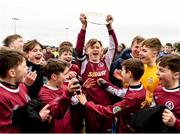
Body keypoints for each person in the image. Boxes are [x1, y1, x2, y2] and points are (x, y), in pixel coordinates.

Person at [75, 13, 118, 132]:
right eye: (92, 47)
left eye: (97, 47)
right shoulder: (84, 64)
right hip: (90, 108)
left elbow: (113, 47)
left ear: (101, 50)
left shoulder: (106, 62)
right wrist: (84, 26)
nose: (95, 49)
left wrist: (109, 27)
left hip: (106, 107)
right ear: (86, 50)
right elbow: (78, 49)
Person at [77, 58, 146, 133]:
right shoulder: (139, 88)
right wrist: (106, 85)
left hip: (126, 129)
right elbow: (120, 92)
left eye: (122, 70)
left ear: (129, 73)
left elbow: (110, 111)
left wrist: (86, 103)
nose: (120, 72)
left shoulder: (133, 98)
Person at [0, 48, 51, 133]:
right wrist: (38, 118)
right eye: (24, 66)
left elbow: (27, 113)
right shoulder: (2, 97)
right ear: (12, 73)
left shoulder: (22, 86)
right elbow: (7, 130)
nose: (27, 68)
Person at [38, 59, 82, 132]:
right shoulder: (44, 93)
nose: (67, 77)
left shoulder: (63, 86)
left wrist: (76, 96)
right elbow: (57, 113)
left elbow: (71, 104)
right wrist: (68, 94)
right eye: (65, 74)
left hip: (68, 128)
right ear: (54, 77)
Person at [152, 54, 180, 132]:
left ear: (176, 75)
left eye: (161, 70)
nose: (156, 73)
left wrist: (175, 122)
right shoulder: (157, 90)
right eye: (157, 69)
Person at [139, 37, 162, 107]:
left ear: (154, 54)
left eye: (144, 51)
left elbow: (159, 99)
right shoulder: (140, 67)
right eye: (140, 50)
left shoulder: (160, 73)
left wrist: (146, 99)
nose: (140, 53)